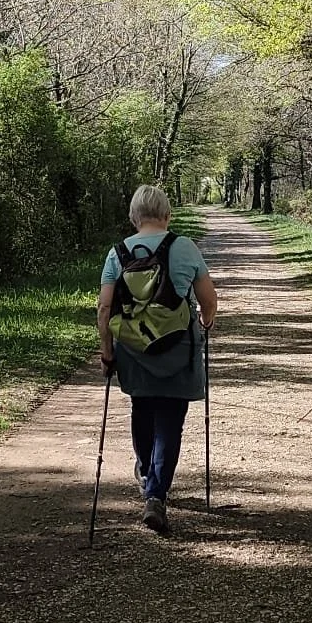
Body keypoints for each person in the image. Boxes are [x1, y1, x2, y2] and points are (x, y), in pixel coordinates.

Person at [97, 183, 218, 534]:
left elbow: (105, 307)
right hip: (177, 347)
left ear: (134, 217)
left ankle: (147, 473)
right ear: (167, 215)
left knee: (143, 408)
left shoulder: (117, 253)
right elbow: (208, 299)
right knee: (170, 418)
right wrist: (205, 322)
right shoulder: (184, 247)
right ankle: (156, 494)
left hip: (134, 348)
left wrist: (107, 352)